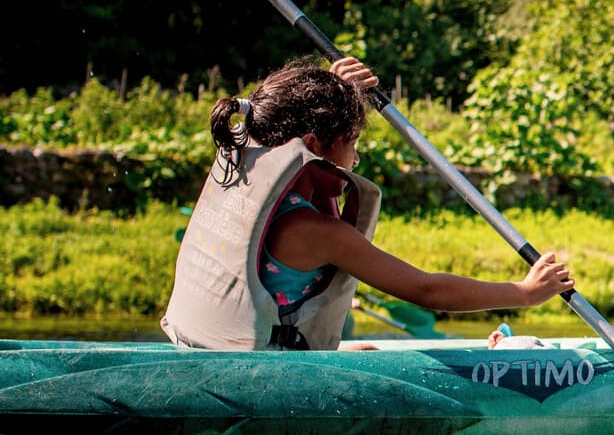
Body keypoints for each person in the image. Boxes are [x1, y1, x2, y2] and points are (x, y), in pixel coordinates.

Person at [162, 56, 574, 351]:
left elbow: (285, 118)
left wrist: (332, 85)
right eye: (352, 143)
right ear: (313, 146)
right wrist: (524, 292)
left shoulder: (247, 165)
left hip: (205, 348)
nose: (355, 159)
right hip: (265, 381)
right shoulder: (322, 235)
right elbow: (425, 289)